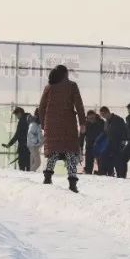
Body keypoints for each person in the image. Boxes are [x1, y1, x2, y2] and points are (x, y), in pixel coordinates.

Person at [38, 64, 86, 193]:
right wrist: (82, 123)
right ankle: (72, 182)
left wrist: (43, 124)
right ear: (65, 74)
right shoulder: (72, 86)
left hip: (51, 124)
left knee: (53, 151)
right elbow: (79, 106)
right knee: (70, 152)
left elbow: (41, 107)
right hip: (67, 124)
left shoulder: (49, 87)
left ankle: (47, 177)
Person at [99, 106, 129, 177]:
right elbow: (106, 132)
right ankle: (106, 173)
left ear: (107, 112)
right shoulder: (106, 122)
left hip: (119, 143)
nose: (103, 116)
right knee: (103, 156)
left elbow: (125, 131)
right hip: (110, 143)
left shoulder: (118, 120)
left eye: (103, 114)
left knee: (119, 161)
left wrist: (124, 141)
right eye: (101, 115)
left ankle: (121, 176)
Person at [4, 107, 31, 172]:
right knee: (28, 165)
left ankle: (24, 179)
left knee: (22, 165)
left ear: (19, 113)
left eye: (16, 115)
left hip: (24, 146)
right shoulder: (30, 119)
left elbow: (17, 135)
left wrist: (9, 144)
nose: (16, 117)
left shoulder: (22, 121)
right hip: (31, 146)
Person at [80, 110, 104, 174]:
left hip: (99, 147)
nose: (91, 120)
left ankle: (102, 172)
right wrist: (80, 148)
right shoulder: (85, 124)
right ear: (87, 118)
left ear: (95, 117)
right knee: (88, 167)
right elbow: (81, 137)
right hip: (89, 146)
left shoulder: (101, 123)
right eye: (89, 118)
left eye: (93, 118)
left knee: (101, 166)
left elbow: (106, 134)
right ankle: (88, 171)